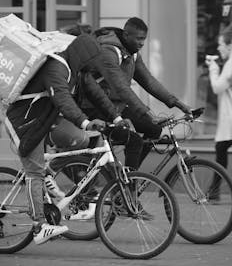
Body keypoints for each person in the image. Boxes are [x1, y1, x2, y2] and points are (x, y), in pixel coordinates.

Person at [5, 33, 138, 244]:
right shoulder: (56, 68)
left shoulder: (77, 71)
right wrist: (85, 122)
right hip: (25, 123)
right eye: (91, 61)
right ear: (82, 56)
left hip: (45, 121)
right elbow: (63, 100)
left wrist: (117, 117)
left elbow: (97, 95)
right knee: (34, 172)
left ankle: (49, 174)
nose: (94, 66)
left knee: (80, 140)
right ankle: (39, 226)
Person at [81, 17, 192, 167]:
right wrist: (147, 113)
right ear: (126, 35)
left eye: (144, 39)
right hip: (95, 106)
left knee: (154, 129)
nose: (142, 43)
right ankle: (129, 186)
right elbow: (121, 88)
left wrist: (178, 104)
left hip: (116, 106)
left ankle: (131, 177)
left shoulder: (132, 52)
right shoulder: (108, 51)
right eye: (139, 39)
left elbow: (149, 81)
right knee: (134, 141)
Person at [205, 23, 232, 200]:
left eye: (221, 44)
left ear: (230, 45)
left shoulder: (231, 63)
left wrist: (213, 68)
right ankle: (214, 191)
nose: (218, 47)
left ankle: (214, 192)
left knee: (221, 149)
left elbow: (217, 87)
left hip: (230, 119)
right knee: (221, 149)